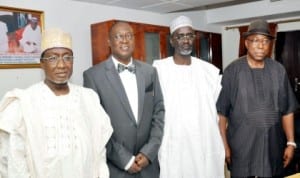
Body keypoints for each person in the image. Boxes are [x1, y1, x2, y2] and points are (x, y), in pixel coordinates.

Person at [0, 28, 113, 178]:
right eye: (53, 58)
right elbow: (15, 161)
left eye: (67, 58)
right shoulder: (24, 102)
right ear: (42, 63)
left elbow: (99, 150)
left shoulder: (89, 98)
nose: (62, 65)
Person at [217, 19, 299, 178]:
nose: (261, 45)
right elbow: (221, 114)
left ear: (270, 45)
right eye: (255, 40)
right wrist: (224, 146)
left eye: (265, 41)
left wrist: (290, 142)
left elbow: (287, 110)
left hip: (272, 148)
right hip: (242, 149)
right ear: (247, 43)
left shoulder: (278, 70)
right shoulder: (232, 72)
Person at [83, 21, 165, 178]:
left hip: (149, 166)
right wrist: (125, 160)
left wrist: (149, 152)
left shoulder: (150, 72)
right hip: (116, 167)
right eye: (118, 36)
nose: (125, 40)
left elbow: (158, 112)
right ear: (109, 42)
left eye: (128, 36)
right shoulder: (93, 76)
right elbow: (95, 125)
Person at [153, 15, 225, 178]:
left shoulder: (209, 71)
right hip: (175, 143)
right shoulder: (159, 70)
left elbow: (219, 110)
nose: (186, 40)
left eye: (189, 35)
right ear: (172, 41)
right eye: (180, 36)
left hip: (204, 142)